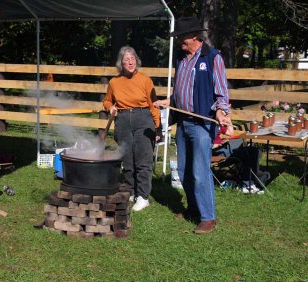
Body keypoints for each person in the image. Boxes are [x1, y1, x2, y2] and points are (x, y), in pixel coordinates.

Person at [154, 17, 231, 234]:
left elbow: (222, 92)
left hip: (201, 125)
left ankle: (208, 217)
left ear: (194, 37)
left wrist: (220, 110)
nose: (179, 41)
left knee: (199, 172)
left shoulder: (212, 57)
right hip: (183, 122)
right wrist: (169, 101)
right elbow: (181, 89)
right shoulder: (182, 58)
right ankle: (194, 209)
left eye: (181, 37)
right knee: (184, 170)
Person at [103, 46, 161, 211]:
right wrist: (110, 108)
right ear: (121, 63)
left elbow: (153, 105)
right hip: (122, 121)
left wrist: (158, 128)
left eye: (133, 59)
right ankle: (131, 191)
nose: (130, 62)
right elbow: (107, 101)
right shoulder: (114, 82)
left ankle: (143, 196)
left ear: (137, 60)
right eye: (126, 59)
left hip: (143, 119)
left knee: (143, 160)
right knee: (127, 161)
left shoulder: (145, 80)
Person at [212, 125, 270, 194]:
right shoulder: (207, 125)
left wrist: (228, 122)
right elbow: (205, 145)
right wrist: (217, 144)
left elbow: (230, 133)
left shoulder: (216, 123)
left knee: (254, 150)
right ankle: (247, 184)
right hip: (217, 154)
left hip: (222, 148)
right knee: (252, 152)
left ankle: (249, 178)